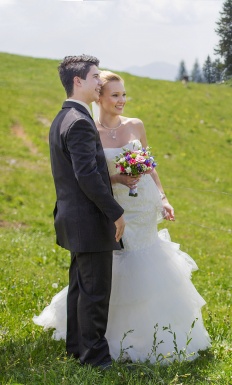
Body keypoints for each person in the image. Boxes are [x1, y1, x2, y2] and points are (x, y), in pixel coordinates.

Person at [35, 70, 211, 364]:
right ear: (99, 98)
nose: (122, 101)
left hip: (141, 206)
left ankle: (154, 330)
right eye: (115, 95)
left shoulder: (136, 125)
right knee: (107, 271)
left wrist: (163, 197)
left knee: (149, 261)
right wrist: (117, 178)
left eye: (124, 94)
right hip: (113, 206)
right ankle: (105, 336)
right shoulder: (88, 128)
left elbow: (149, 164)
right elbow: (89, 173)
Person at [42, 55, 125, 369]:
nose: (99, 82)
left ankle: (77, 348)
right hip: (88, 221)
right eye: (94, 77)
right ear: (78, 81)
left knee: (80, 288)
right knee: (94, 292)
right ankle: (96, 359)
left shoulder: (64, 117)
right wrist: (115, 212)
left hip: (74, 219)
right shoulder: (78, 122)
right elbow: (87, 175)